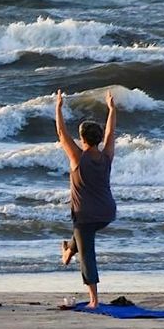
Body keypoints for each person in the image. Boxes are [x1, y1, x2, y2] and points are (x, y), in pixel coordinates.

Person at [55, 89, 117, 309]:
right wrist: (112, 110)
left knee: (87, 253)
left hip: (85, 216)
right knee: (82, 235)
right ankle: (68, 251)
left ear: (82, 139)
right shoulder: (106, 156)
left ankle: (94, 300)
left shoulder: (78, 158)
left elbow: (61, 133)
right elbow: (111, 133)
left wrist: (58, 108)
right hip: (107, 213)